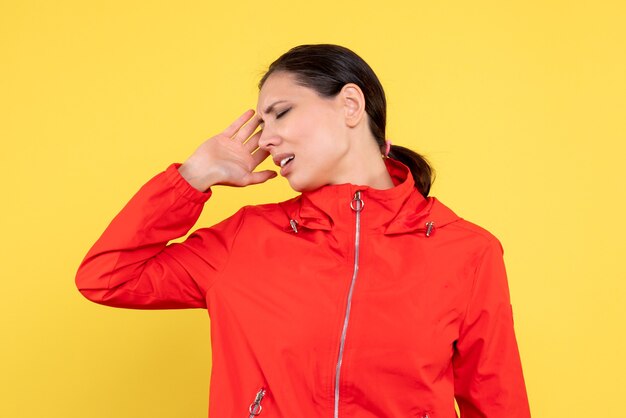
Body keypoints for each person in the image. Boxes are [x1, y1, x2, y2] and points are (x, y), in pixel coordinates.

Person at [76, 44, 530, 418]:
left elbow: (497, 404)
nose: (266, 138)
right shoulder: (245, 239)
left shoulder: (467, 251)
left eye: (281, 113)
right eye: (261, 123)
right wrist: (193, 177)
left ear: (350, 105)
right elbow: (107, 276)